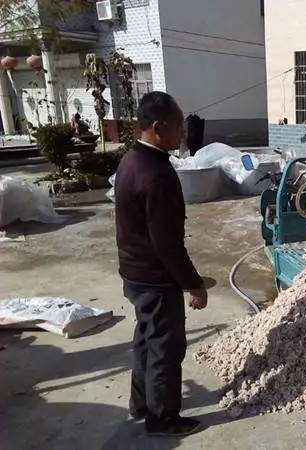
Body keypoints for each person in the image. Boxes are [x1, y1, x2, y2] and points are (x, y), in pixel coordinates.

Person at [115, 92, 208, 437]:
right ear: (157, 128)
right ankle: (162, 418)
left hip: (135, 273)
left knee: (146, 340)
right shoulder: (155, 173)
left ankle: (141, 404)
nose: (182, 131)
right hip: (155, 278)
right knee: (166, 349)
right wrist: (192, 283)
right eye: (178, 124)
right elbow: (167, 244)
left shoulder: (130, 161)